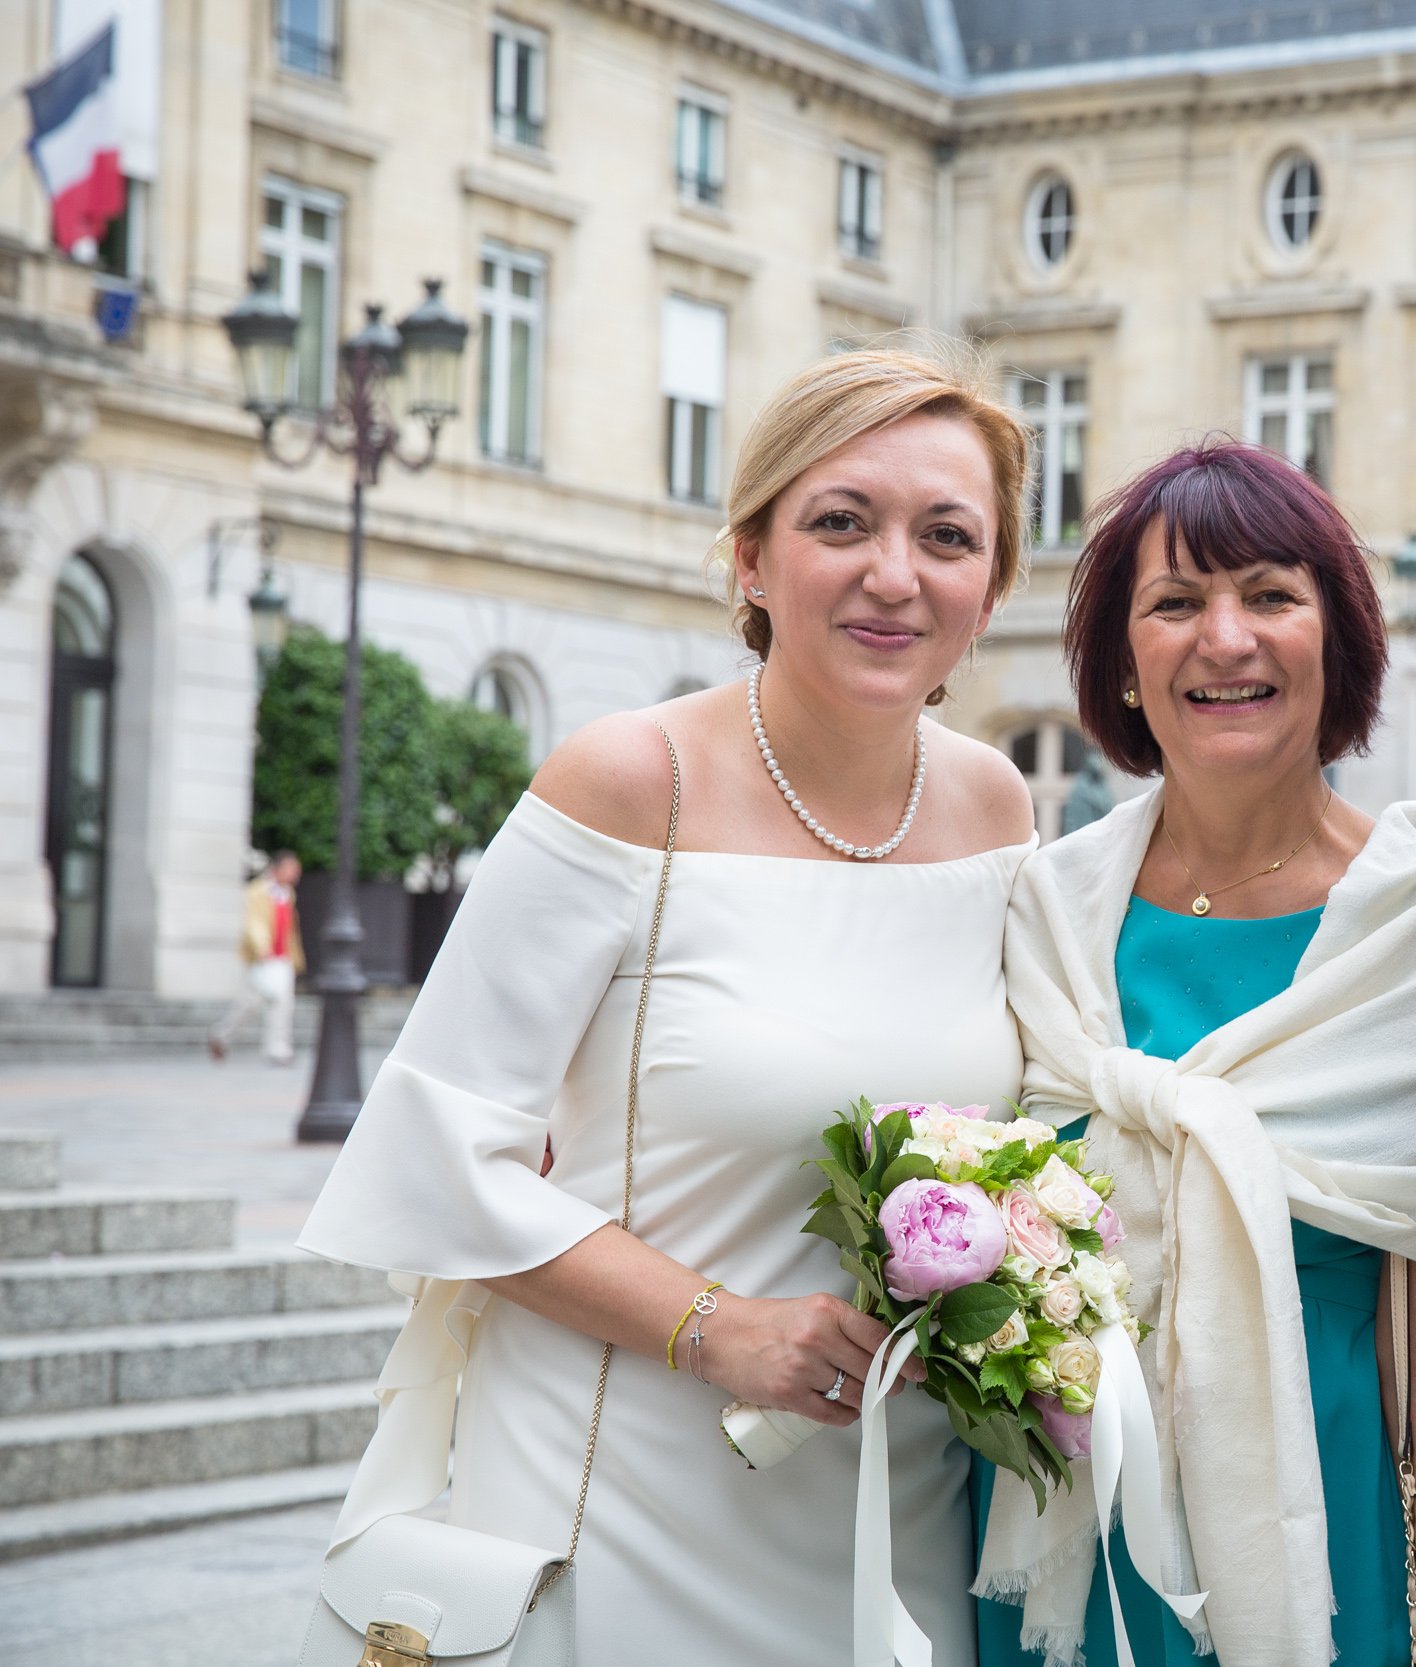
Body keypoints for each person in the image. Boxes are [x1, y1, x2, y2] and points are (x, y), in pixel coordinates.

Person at [296, 347, 1038, 1662]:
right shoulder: (630, 779)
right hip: (620, 1495)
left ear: (991, 586)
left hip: (891, 1509)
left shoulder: (997, 805)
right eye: (840, 521)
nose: (893, 572)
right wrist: (717, 1327)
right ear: (751, 558)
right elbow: (437, 1157)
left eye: (946, 535)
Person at [975, 441, 1416, 1667]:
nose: (1225, 639)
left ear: (1341, 636)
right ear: (1122, 658)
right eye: (1174, 604)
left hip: (1324, 1542)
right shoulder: (1040, 911)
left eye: (1270, 594)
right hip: (1055, 1539)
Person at [208, 850, 304, 1064]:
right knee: (249, 1004)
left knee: (282, 1001)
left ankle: (278, 1049)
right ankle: (222, 1035)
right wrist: (262, 948)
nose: (295, 875)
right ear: (278, 868)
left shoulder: (288, 895)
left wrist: (295, 957)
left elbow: (289, 930)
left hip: (282, 959)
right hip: (263, 958)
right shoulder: (258, 891)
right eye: (291, 870)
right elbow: (253, 922)